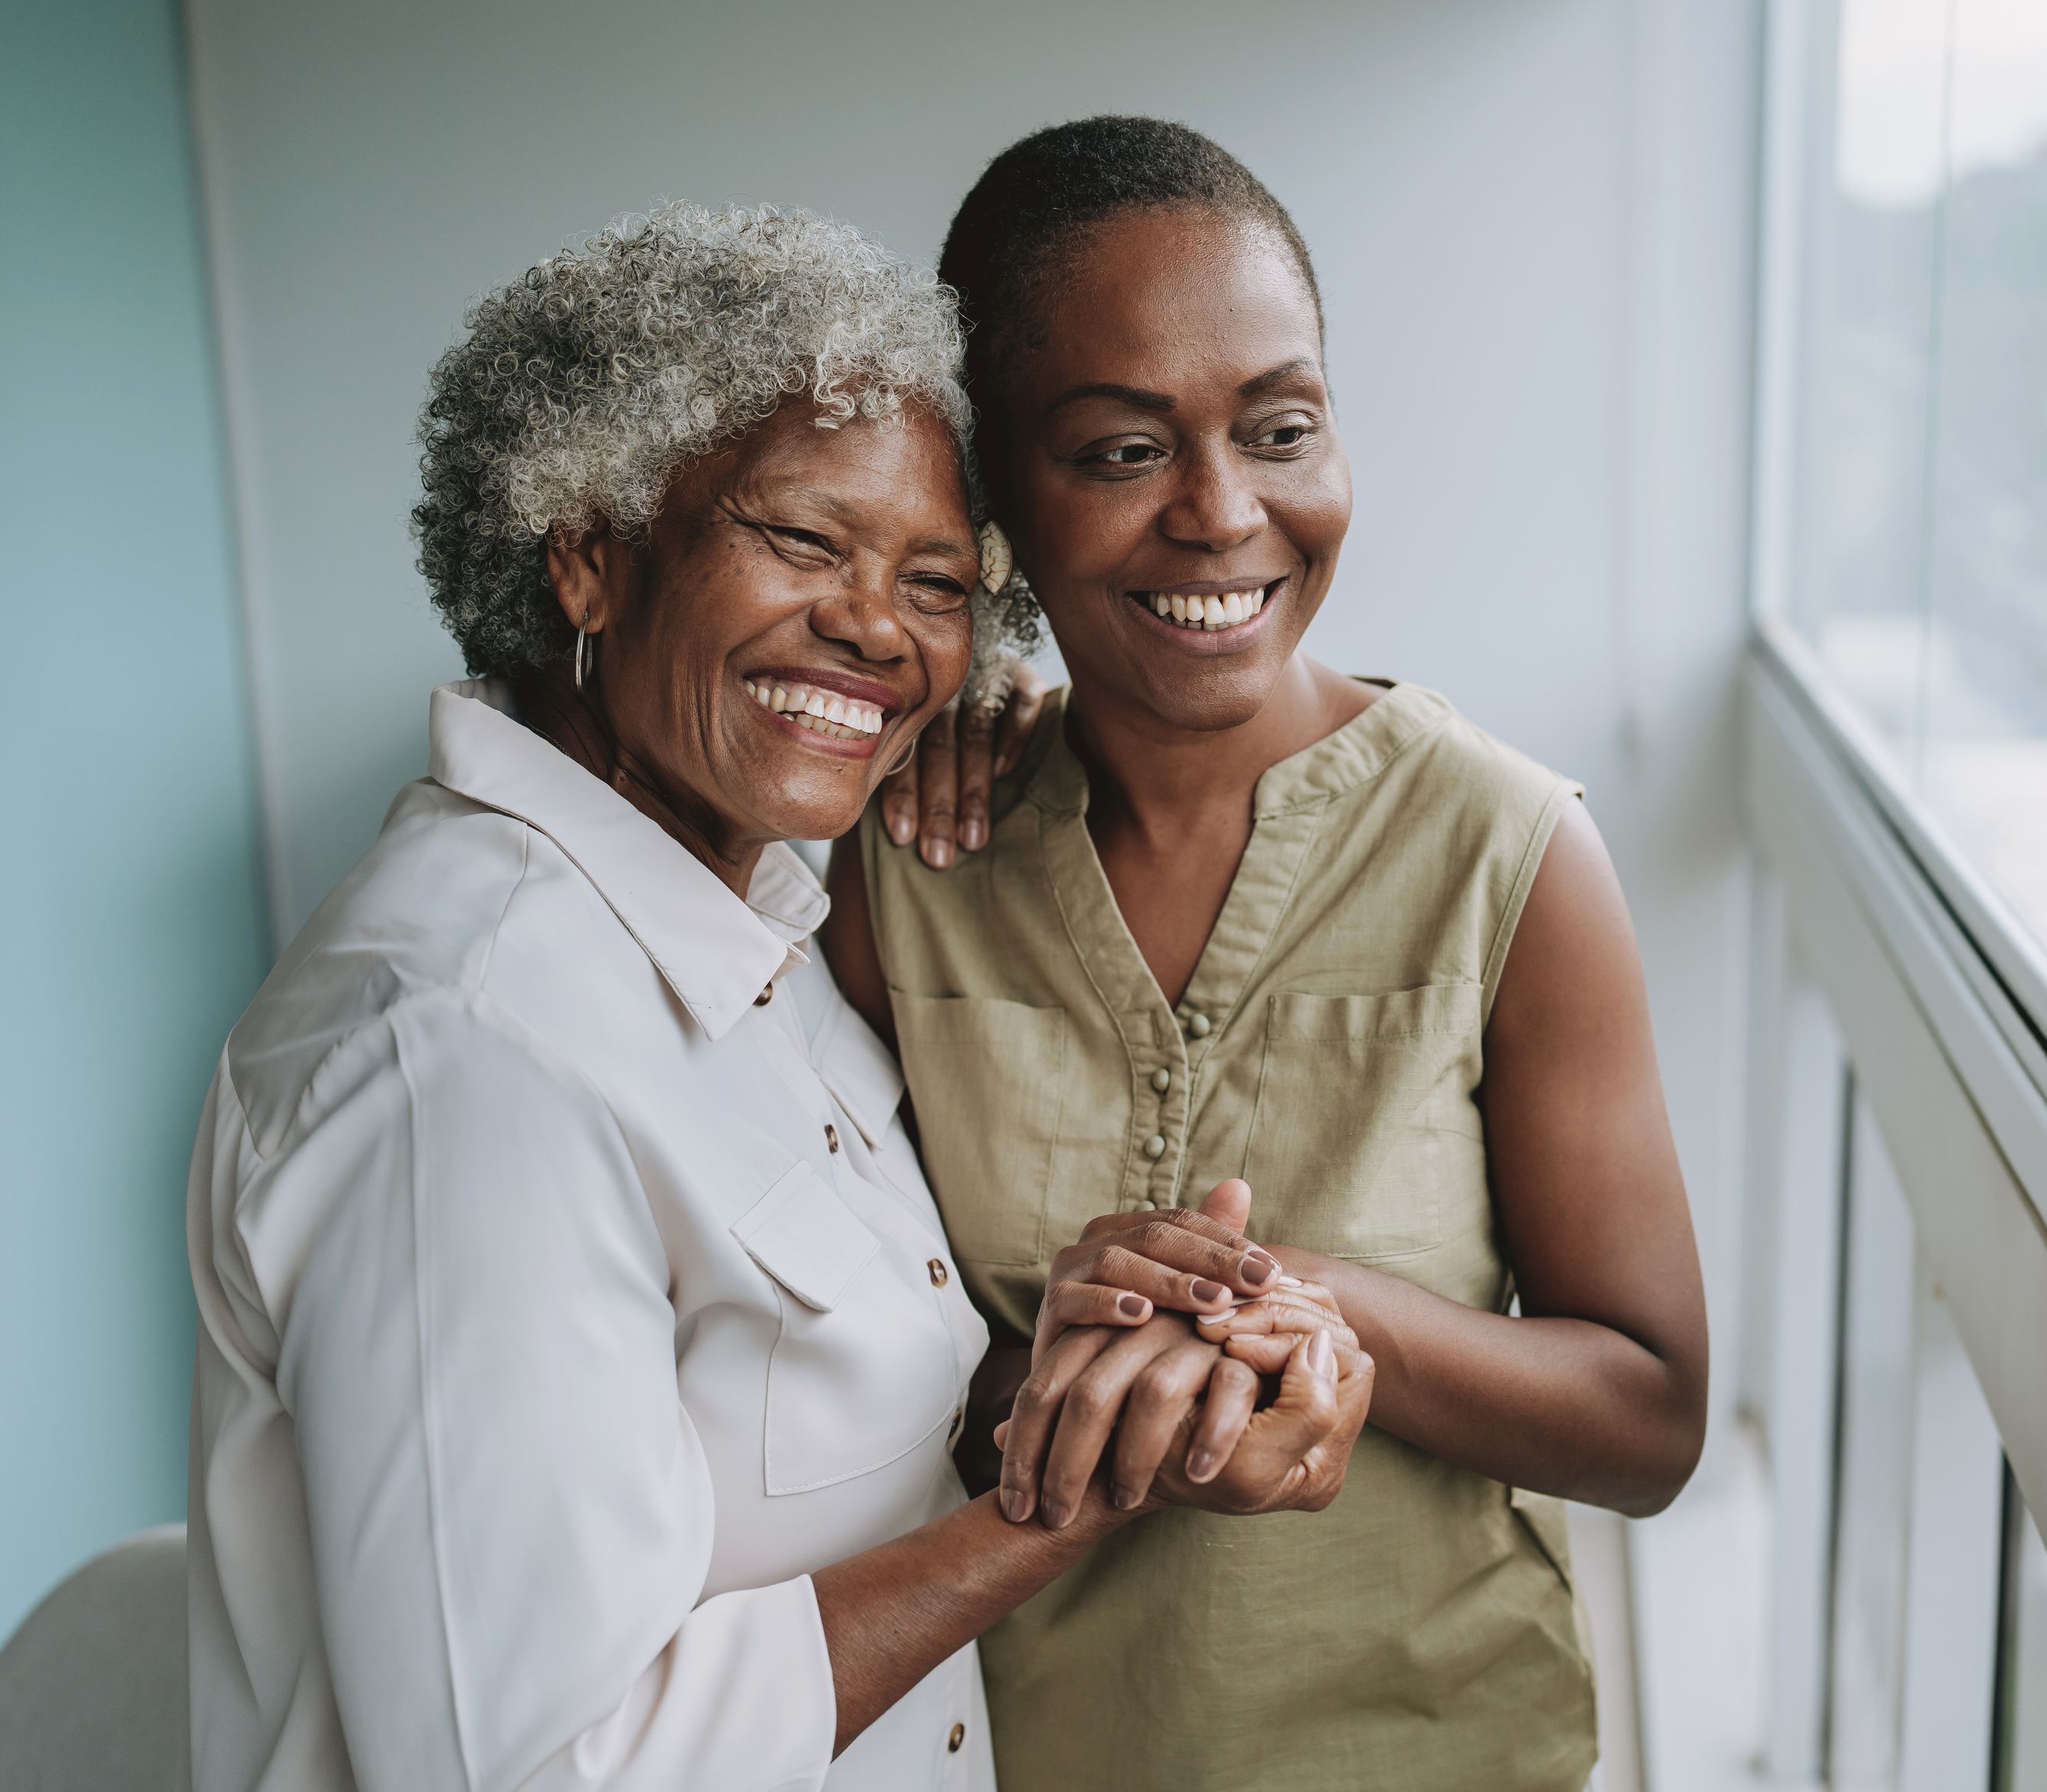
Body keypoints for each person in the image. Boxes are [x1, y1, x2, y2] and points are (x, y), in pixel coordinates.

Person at [186, 203, 1370, 1792]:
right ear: (588, 555)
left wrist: (1122, 1364)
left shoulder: (751, 928)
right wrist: (1085, 1497)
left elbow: (812, 1432)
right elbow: (544, 1768)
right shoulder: (462, 1051)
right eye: (805, 543)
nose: (879, 628)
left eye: (938, 582)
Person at [824, 119, 1711, 1792]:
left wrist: (1299, 1308)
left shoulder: (1506, 856)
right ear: (996, 490)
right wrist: (1066, 1374)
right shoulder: (905, 865)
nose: (1223, 514)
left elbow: (1652, 1418)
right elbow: (846, 1398)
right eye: (1118, 451)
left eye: (1281, 428)